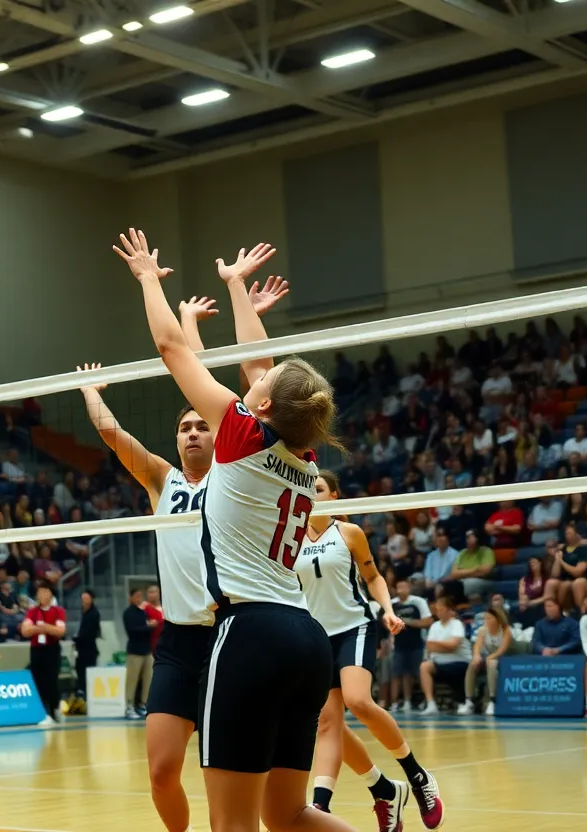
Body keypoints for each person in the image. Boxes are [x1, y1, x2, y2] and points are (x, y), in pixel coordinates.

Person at [116, 228, 358, 832]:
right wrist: (237, 287)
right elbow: (261, 363)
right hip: (306, 638)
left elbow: (174, 347)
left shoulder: (241, 432)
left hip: (250, 631)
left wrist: (148, 278)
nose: (254, 380)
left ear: (266, 408)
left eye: (262, 388)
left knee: (233, 825)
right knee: (289, 816)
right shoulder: (306, 459)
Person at [299, 472, 443, 831]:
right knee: (328, 724)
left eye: (317, 488)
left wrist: (388, 609)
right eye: (305, 488)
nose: (311, 493)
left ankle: (418, 775)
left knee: (358, 701)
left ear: (334, 496)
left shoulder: (349, 534)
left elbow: (373, 576)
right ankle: (335, 802)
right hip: (315, 636)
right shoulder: (289, 537)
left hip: (355, 627)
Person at [20, 581, 66, 726]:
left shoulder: (58, 611)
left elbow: (60, 631)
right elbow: (25, 630)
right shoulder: (32, 612)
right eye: (39, 592)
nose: (42, 595)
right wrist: (40, 629)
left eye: (45, 592)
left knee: (52, 680)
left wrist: (44, 627)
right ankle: (44, 713)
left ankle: (55, 709)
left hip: (52, 649)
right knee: (38, 681)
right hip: (36, 649)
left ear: (51, 594)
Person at [418, 597, 472, 715]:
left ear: (449, 610)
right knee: (424, 666)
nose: (438, 611)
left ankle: (464, 702)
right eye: (437, 609)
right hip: (439, 662)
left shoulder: (456, 624)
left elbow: (453, 645)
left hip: (460, 662)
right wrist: (444, 646)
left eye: (441, 609)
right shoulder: (434, 626)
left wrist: (438, 645)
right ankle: (431, 704)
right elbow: (430, 647)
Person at [457, 607, 512, 716]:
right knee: (473, 663)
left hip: (504, 658)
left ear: (498, 619)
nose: (487, 621)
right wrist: (477, 656)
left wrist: (490, 657)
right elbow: (477, 647)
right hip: (488, 656)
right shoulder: (483, 630)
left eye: (490, 618)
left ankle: (492, 701)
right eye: (486, 618)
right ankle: (469, 701)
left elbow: (501, 651)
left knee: (491, 663)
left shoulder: (506, 630)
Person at [390, 579, 432, 712]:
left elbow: (427, 621)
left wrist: (406, 622)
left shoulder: (418, 602)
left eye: (404, 586)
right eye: (399, 586)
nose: (401, 589)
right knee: (399, 674)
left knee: (419, 673)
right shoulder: (392, 604)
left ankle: (427, 701)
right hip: (398, 644)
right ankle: (400, 702)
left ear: (409, 588)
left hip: (417, 643)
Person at [122, 586, 156, 720]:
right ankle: (129, 706)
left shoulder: (142, 612)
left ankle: (143, 704)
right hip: (134, 651)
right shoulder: (128, 613)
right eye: (136, 596)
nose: (138, 599)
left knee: (148, 678)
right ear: (130, 598)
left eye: (140, 596)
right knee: (132, 680)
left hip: (147, 650)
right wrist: (149, 627)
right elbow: (132, 631)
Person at [73, 589, 101, 700]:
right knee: (80, 670)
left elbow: (89, 632)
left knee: (88, 672)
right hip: (81, 648)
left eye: (86, 598)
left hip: (89, 648)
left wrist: (77, 639)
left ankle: (87, 694)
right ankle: (81, 691)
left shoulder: (93, 613)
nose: (84, 601)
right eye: (82, 598)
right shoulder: (84, 611)